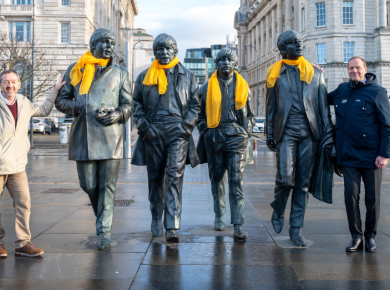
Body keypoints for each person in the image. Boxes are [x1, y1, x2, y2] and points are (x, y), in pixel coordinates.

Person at [55, 28, 133, 250]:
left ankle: (104, 232)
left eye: (112, 43)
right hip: (84, 137)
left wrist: (118, 114)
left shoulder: (121, 73)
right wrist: (81, 106)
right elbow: (61, 102)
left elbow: (129, 105)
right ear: (93, 46)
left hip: (111, 136)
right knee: (88, 184)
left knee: (108, 187)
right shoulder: (76, 69)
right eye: (105, 42)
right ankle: (102, 219)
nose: (109, 47)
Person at [266, 30, 334, 246]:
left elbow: (323, 108)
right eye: (294, 43)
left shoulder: (315, 73)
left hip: (310, 134)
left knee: (302, 183)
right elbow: (271, 107)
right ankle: (278, 209)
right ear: (283, 48)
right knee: (285, 178)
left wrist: (328, 136)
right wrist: (269, 132)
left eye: (300, 42)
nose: (299, 45)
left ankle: (296, 228)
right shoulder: (274, 74)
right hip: (286, 132)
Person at [132, 33, 200, 243]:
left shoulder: (187, 76)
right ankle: (156, 216)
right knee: (155, 178)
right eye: (159, 49)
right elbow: (136, 105)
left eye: (167, 48)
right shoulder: (144, 77)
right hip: (153, 132)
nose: (163, 52)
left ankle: (171, 225)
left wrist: (185, 127)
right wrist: (144, 127)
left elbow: (195, 106)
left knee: (174, 176)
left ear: (175, 50)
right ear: (155, 53)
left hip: (177, 132)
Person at [0, 69, 66, 258]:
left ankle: (23, 244)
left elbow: (44, 110)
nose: (10, 85)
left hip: (18, 166)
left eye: (13, 82)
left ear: (19, 85)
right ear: (0, 85)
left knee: (24, 204)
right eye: (6, 82)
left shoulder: (24, 103)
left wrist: (55, 89)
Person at [328, 56, 390, 253]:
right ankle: (356, 236)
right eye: (351, 68)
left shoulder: (378, 92)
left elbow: (387, 125)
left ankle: (370, 235)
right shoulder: (341, 90)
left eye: (357, 68)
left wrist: (384, 154)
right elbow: (319, 96)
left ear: (365, 69)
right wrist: (313, 73)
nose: (354, 71)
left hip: (372, 157)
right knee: (350, 196)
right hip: (348, 156)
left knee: (372, 199)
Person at [196, 48, 255, 240]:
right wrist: (206, 130)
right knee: (217, 179)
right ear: (217, 63)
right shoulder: (206, 87)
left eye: (230, 60)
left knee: (236, 180)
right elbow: (198, 114)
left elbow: (251, 115)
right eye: (222, 59)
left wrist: (246, 131)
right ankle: (219, 215)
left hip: (237, 136)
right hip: (215, 137)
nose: (226, 63)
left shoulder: (244, 86)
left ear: (235, 64)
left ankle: (238, 224)